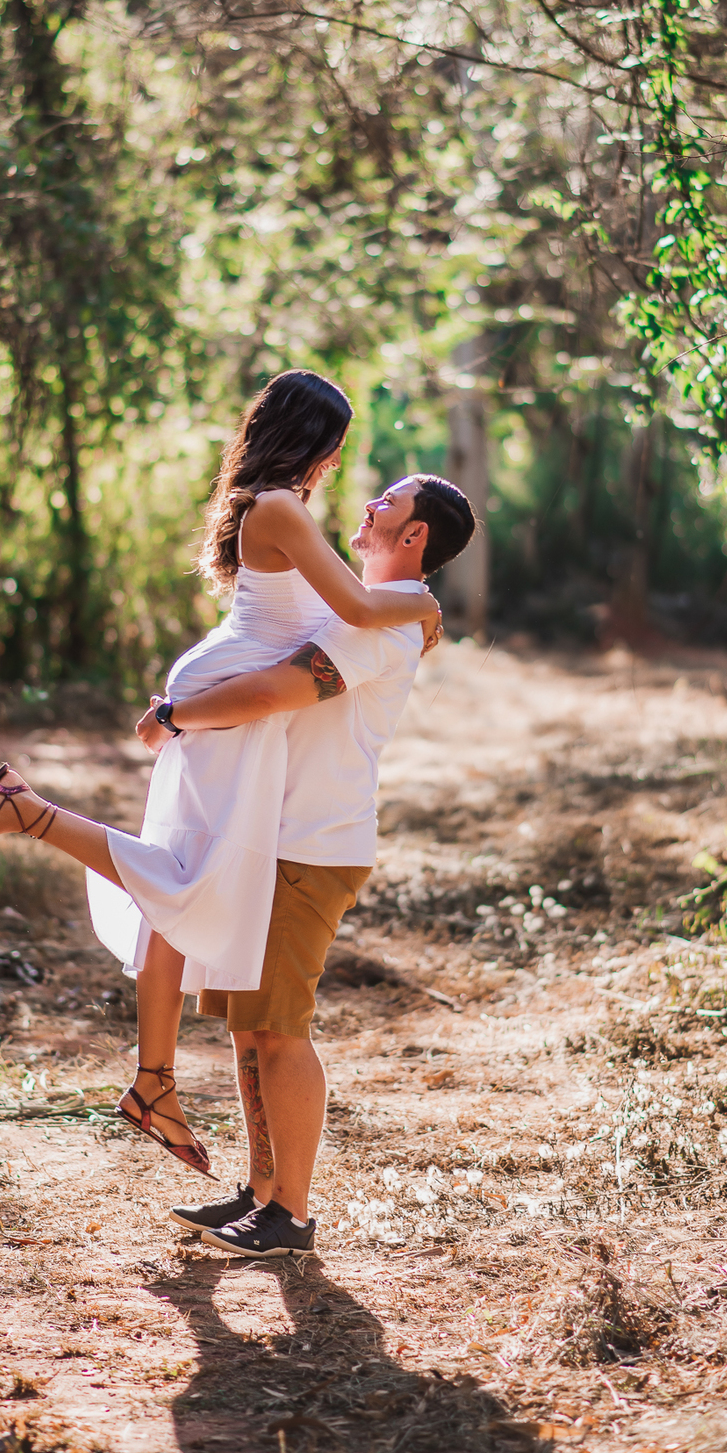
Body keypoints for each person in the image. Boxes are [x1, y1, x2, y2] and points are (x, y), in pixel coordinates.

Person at [0, 370, 440, 1176]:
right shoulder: (279, 508)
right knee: (184, 875)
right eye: (334, 450)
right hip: (230, 699)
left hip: (223, 693)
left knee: (186, 877)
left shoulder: (275, 509)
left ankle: (153, 1080)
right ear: (308, 442)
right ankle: (24, 812)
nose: (338, 468)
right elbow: (359, 610)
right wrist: (426, 606)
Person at [131, 471, 476, 1256]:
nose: (368, 505)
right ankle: (260, 1193)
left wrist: (175, 717)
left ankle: (290, 1213)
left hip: (311, 846)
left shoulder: (374, 627)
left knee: (279, 1032)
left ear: (415, 536)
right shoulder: (369, 608)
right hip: (270, 837)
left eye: (387, 502)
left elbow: (271, 693)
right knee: (250, 1030)